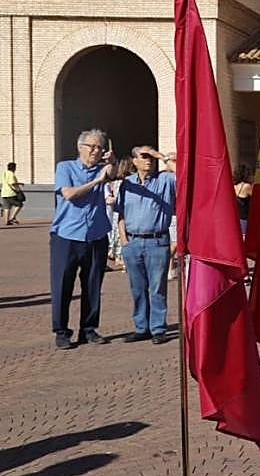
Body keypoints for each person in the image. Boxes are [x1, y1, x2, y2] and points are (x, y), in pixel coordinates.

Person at [50, 129, 117, 349]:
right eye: (93, 147)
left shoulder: (103, 169)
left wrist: (112, 162)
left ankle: (88, 329)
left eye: (100, 147)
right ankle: (61, 331)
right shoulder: (65, 167)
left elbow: (116, 173)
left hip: (96, 236)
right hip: (67, 236)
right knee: (63, 284)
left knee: (93, 285)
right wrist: (97, 181)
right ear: (81, 147)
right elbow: (69, 194)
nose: (96, 151)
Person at [115, 146, 177, 344]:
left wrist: (161, 156)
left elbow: (184, 174)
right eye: (144, 157)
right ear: (134, 161)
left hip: (157, 241)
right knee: (137, 287)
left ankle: (158, 328)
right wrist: (123, 240)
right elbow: (121, 213)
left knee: (157, 287)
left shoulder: (165, 180)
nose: (148, 160)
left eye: (151, 157)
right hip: (132, 242)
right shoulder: (127, 184)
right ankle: (141, 327)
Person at [106, 158, 134, 270]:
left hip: (115, 212)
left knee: (117, 234)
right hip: (125, 211)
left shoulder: (114, 183)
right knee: (124, 234)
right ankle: (122, 259)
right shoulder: (129, 182)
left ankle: (118, 257)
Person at [233, 164, 253, 236]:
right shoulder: (247, 186)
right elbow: (255, 200)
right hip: (244, 219)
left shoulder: (234, 186)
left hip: (235, 219)